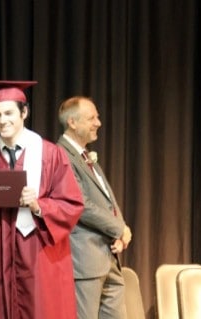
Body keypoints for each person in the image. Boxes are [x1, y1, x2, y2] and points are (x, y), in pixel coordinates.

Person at [0, 81, 84, 319]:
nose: (3, 120)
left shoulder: (51, 155)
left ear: (24, 112)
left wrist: (39, 205)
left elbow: (72, 204)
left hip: (40, 259)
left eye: (9, 113)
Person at [56, 96, 132, 319]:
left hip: (108, 255)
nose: (98, 122)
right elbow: (80, 204)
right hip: (85, 259)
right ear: (72, 122)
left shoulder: (87, 156)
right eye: (92, 118)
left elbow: (107, 198)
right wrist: (118, 229)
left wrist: (121, 230)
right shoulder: (61, 155)